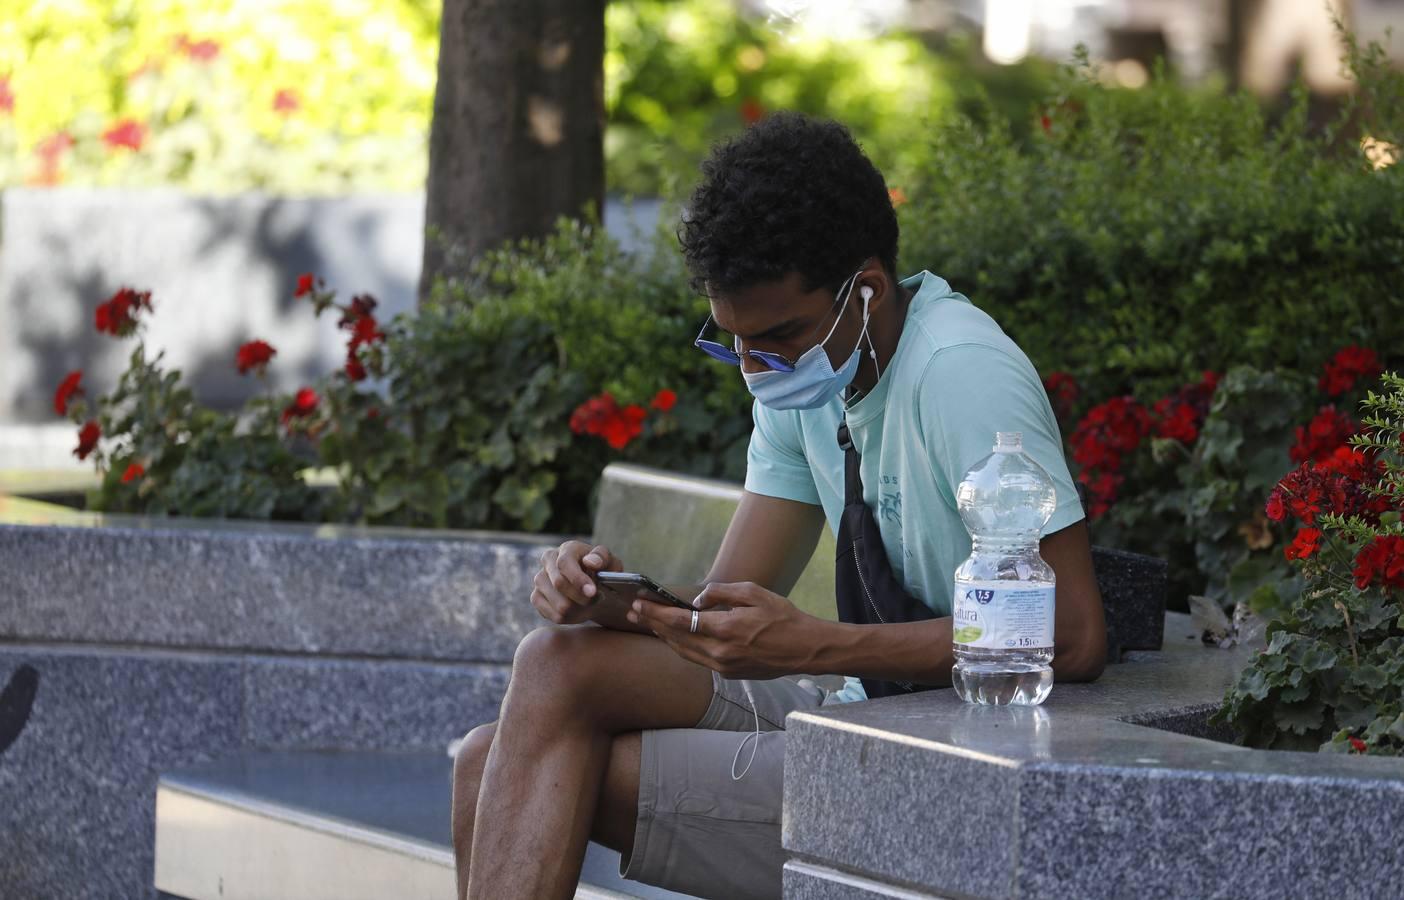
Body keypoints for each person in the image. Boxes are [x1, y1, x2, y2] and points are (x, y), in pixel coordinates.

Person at [451, 111, 1107, 900]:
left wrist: (816, 647)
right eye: (733, 343)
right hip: (870, 697)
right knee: (550, 664)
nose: (754, 369)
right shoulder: (809, 375)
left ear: (864, 291)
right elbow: (716, 611)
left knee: (503, 767)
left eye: (777, 338)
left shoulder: (959, 373)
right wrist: (613, 600)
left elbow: (1069, 635)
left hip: (964, 742)